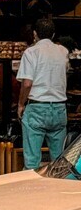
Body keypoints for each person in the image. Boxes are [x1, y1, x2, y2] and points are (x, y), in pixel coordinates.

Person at [17, 16, 68, 170]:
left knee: (32, 162)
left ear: (34, 34)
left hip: (37, 108)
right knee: (59, 162)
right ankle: (59, 191)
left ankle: (33, 192)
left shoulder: (31, 52)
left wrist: (20, 104)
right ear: (53, 35)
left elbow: (27, 83)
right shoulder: (63, 51)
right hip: (59, 108)